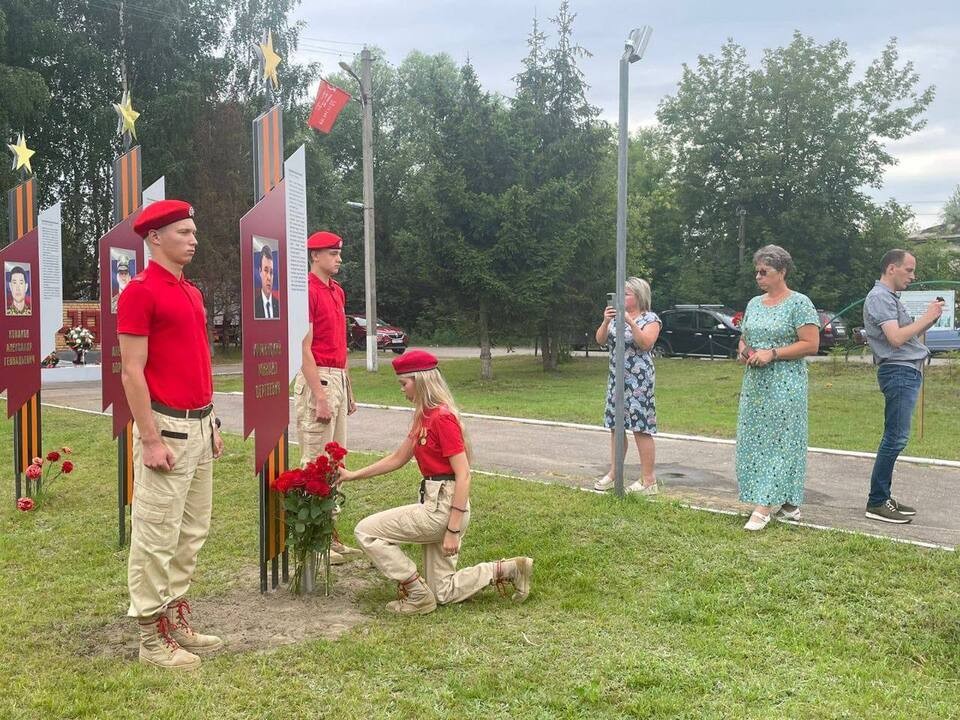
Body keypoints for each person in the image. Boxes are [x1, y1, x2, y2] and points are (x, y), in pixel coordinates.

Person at [338, 350, 533, 615]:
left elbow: (463, 474)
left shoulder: (442, 418)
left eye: (404, 384)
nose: (402, 390)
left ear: (421, 381)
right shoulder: (424, 416)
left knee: (366, 531)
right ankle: (510, 568)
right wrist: (352, 475)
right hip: (436, 502)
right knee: (443, 591)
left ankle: (416, 593)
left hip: (444, 508)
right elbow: (398, 458)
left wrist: (452, 530)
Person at [118, 199, 224, 671]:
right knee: (156, 533)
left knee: (192, 529)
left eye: (193, 231)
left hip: (199, 425)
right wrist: (151, 437)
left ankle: (175, 615)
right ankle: (150, 636)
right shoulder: (140, 292)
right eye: (183, 231)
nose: (193, 239)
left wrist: (213, 421)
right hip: (168, 429)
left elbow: (197, 362)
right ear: (155, 237)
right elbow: (131, 372)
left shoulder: (192, 292)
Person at [735, 245, 820, 531]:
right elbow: (744, 338)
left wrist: (773, 353)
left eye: (764, 272)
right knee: (756, 440)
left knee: (781, 441)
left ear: (781, 272)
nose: (758, 277)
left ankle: (764, 505)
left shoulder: (799, 303)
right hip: (755, 383)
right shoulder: (754, 304)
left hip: (786, 382)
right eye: (756, 272)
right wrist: (746, 351)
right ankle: (788, 504)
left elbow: (811, 344)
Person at [862, 249, 944, 524]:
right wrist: (925, 317)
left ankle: (883, 495)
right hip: (898, 372)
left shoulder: (889, 298)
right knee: (895, 437)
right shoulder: (880, 297)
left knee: (896, 437)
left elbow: (906, 338)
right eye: (909, 270)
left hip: (905, 371)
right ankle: (876, 501)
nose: (913, 275)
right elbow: (895, 339)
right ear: (891, 269)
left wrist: (930, 319)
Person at [293, 230, 360, 562]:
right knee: (315, 460)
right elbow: (303, 348)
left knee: (336, 460)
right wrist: (319, 395)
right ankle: (311, 538)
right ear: (315, 255)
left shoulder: (337, 291)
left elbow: (339, 345)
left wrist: (346, 386)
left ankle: (328, 532)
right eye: (332, 253)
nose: (338, 258)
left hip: (337, 377)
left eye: (338, 252)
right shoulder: (306, 291)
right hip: (317, 376)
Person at [593, 277, 662, 494]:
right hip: (617, 378)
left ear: (639, 296)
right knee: (616, 426)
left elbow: (646, 343)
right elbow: (600, 340)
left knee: (641, 427)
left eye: (627, 294)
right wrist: (606, 321)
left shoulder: (650, 319)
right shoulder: (614, 318)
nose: (622, 297)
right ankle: (615, 473)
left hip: (639, 380)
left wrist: (630, 322)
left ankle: (649, 481)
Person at [253, 245, 280, 319]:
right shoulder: (253, 306)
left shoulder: (279, 305)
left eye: (271, 272)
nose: (269, 277)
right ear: (260, 271)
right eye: (265, 270)